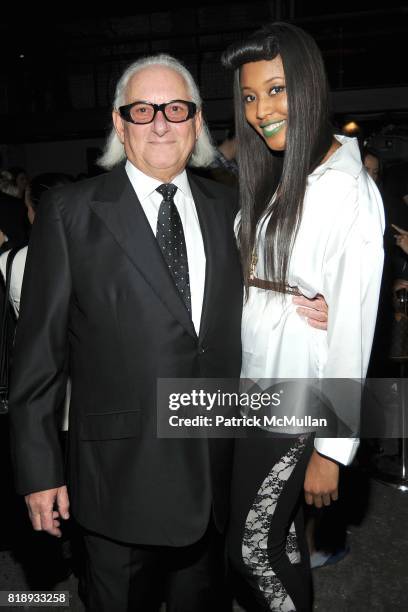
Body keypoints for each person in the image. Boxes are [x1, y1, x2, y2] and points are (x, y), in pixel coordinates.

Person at [8, 54, 243, 612]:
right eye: (144, 110)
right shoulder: (71, 211)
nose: (161, 123)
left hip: (214, 470)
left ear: (196, 121)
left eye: (176, 109)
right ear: (120, 123)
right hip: (117, 476)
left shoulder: (230, 207)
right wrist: (39, 470)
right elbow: (37, 354)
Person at [222, 22, 384, 611]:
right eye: (249, 95)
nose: (262, 109)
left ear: (310, 85)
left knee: (251, 549)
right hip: (258, 387)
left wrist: (331, 451)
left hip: (299, 396)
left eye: (277, 89)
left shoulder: (345, 190)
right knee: (278, 536)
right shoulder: (284, 175)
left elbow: (353, 332)